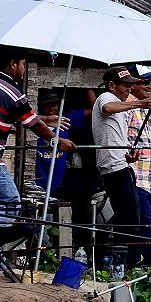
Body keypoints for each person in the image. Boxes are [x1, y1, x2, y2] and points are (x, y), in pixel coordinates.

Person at [0, 45, 75, 225]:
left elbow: (18, 115)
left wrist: (46, 119)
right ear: (12, 64)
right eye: (24, 64)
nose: (24, 69)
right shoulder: (12, 91)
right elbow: (33, 124)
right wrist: (57, 140)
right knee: (10, 202)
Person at [91, 65, 151, 269]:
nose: (128, 90)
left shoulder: (120, 105)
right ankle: (125, 264)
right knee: (132, 221)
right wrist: (140, 103)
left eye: (130, 85)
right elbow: (107, 109)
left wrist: (128, 155)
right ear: (112, 85)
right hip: (114, 169)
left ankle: (120, 262)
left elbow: (117, 135)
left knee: (129, 219)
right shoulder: (105, 98)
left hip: (121, 164)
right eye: (125, 86)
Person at [34, 88, 98, 252]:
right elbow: (18, 118)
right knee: (37, 222)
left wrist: (87, 85)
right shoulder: (34, 123)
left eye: (54, 105)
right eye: (47, 106)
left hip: (60, 183)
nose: (51, 109)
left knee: (61, 221)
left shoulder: (65, 120)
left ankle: (59, 253)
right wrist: (45, 120)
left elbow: (96, 109)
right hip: (36, 184)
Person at [126, 64, 151, 267]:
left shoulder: (144, 107)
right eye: (145, 82)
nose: (150, 86)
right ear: (131, 85)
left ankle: (132, 266)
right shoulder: (129, 106)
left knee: (140, 225)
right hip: (135, 177)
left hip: (147, 179)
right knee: (147, 225)